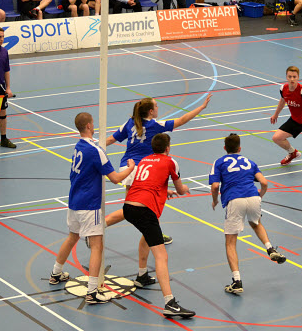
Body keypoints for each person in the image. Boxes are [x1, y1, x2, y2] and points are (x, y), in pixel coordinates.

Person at [102, 95, 211, 250]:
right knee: (132, 210)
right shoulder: (155, 125)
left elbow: (111, 139)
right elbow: (182, 120)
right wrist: (201, 108)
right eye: (157, 106)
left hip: (128, 168)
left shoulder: (130, 122)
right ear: (151, 111)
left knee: (143, 207)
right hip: (141, 170)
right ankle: (99, 227)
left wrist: (96, 147)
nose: (159, 108)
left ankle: (156, 234)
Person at [49, 112, 136, 304]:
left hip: (74, 201)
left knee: (72, 236)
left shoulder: (78, 147)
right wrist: (130, 168)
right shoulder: (95, 150)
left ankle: (56, 273)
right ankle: (92, 292)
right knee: (97, 246)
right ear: (88, 126)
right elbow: (114, 178)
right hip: (89, 205)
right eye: (93, 123)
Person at [123, 133, 195, 317]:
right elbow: (181, 189)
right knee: (162, 256)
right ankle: (169, 303)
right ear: (168, 147)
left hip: (129, 206)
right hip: (145, 210)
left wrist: (165, 191)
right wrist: (182, 189)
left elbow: (146, 183)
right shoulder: (171, 161)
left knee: (146, 237)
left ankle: (142, 275)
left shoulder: (145, 160)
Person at [209, 133, 287, 294]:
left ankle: (237, 282)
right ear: (240, 148)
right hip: (253, 196)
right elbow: (264, 182)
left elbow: (215, 186)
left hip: (234, 200)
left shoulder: (219, 162)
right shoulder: (249, 162)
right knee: (256, 223)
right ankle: (270, 248)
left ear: (225, 148)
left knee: (230, 242)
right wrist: (260, 195)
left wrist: (215, 200)